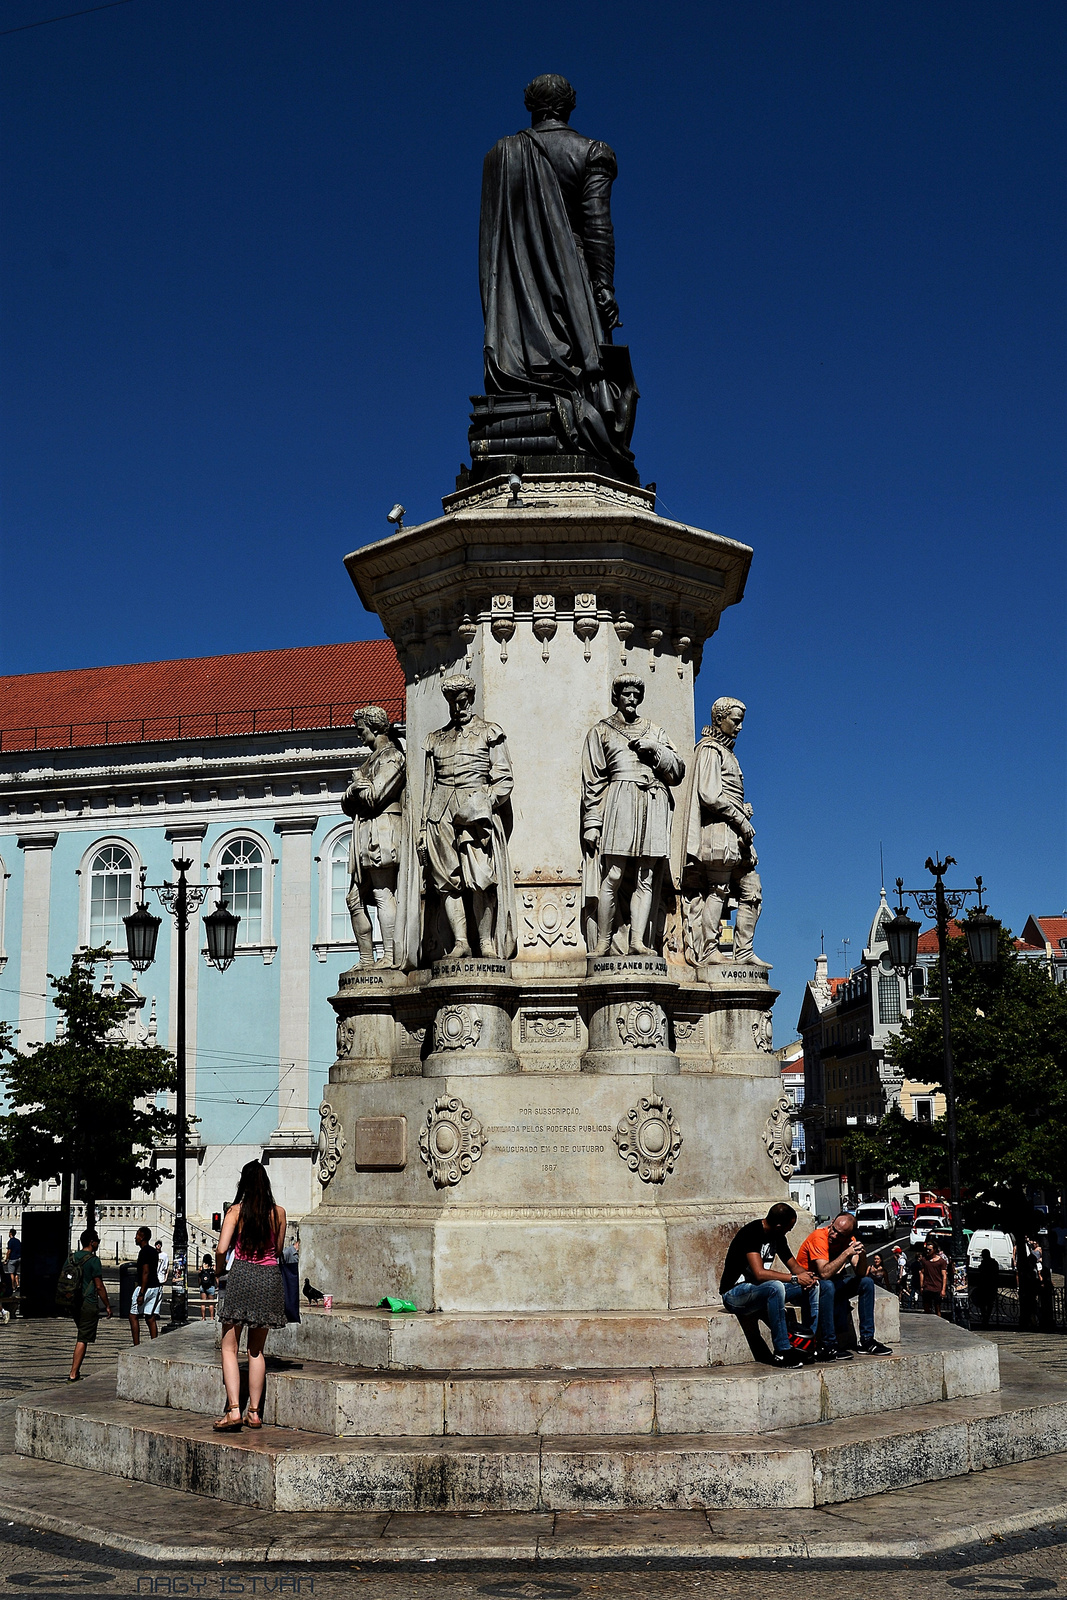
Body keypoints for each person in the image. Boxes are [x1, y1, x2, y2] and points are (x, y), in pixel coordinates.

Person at [479, 74, 637, 475]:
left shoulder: (500, 155)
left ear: (531, 107)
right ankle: (582, 424)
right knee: (590, 374)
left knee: (531, 369)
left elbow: (491, 239)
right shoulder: (591, 152)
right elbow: (598, 228)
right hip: (573, 285)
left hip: (516, 293)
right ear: (570, 105)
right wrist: (603, 288)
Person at [581, 674, 685, 956]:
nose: (631, 699)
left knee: (646, 876)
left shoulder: (655, 731)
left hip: (652, 800)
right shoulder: (601, 731)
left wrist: (656, 750)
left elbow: (677, 770)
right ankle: (603, 942)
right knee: (613, 874)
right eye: (626, 694)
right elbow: (593, 781)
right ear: (617, 696)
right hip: (620, 799)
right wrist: (592, 822)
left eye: (636, 695)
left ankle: (637, 941)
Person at [415, 674, 517, 960]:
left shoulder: (489, 732)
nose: (460, 708)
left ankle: (485, 941)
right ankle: (462, 941)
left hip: (475, 810)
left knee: (481, 878)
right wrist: (423, 828)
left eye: (464, 701)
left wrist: (485, 802)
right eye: (454, 703)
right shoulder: (435, 740)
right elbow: (427, 786)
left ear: (471, 699)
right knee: (446, 880)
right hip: (440, 811)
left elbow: (504, 778)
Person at [669, 697, 762, 965]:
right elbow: (709, 794)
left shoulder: (727, 752)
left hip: (735, 832)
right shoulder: (710, 750)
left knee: (752, 890)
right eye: (736, 720)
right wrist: (739, 817)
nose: (740, 727)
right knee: (719, 888)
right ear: (719, 719)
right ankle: (708, 949)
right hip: (720, 830)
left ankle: (743, 952)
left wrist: (742, 810)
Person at [214, 1160, 287, 1432]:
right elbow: (278, 1250)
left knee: (229, 1347)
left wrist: (220, 1269)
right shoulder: (278, 1213)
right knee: (256, 1350)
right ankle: (254, 1413)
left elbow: (222, 1249)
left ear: (243, 1184)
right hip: (269, 1278)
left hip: (242, 1275)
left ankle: (234, 1409)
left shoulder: (236, 1211)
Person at [342, 705, 406, 968]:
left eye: (361, 729)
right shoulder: (369, 762)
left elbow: (375, 796)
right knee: (353, 899)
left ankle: (390, 956)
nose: (358, 735)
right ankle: (366, 959)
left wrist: (357, 786)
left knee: (382, 893)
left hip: (383, 830)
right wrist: (354, 790)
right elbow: (348, 804)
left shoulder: (392, 758)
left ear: (376, 727)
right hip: (364, 832)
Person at [719, 1202, 820, 1368]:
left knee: (814, 1285)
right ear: (779, 1226)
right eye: (789, 1228)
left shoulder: (778, 1236)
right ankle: (782, 1351)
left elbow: (794, 1267)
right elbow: (760, 1273)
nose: (789, 1231)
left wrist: (807, 1277)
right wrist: (794, 1279)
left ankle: (807, 1345)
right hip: (735, 1295)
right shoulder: (751, 1233)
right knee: (775, 1287)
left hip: (759, 1290)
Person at [796, 1212, 893, 1359]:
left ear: (848, 1236)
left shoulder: (849, 1240)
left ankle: (867, 1340)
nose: (834, 1235)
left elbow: (860, 1273)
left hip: (832, 1284)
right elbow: (824, 1273)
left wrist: (861, 1255)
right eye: (833, 1229)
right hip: (810, 1287)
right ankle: (830, 1343)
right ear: (832, 1221)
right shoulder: (819, 1237)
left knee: (866, 1283)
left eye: (840, 1234)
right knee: (827, 1285)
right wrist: (846, 1253)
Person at [67, 1228, 113, 1381]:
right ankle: (73, 1373)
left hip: (73, 1302)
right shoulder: (93, 1260)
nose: (98, 1243)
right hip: (88, 1302)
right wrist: (107, 1305)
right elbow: (99, 1286)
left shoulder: (72, 1258)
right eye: (97, 1241)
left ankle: (75, 1371)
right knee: (83, 1338)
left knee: (81, 1333)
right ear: (92, 1242)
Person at [129, 1227, 161, 1343]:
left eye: (137, 1235)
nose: (135, 1238)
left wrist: (141, 1292)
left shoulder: (144, 1252)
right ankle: (154, 1343)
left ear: (142, 1237)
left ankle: (136, 1344)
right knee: (150, 1316)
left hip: (145, 1287)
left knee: (133, 1316)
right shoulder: (153, 1251)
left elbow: (146, 1272)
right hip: (156, 1286)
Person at [971, 1248, 1000, 1329]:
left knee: (985, 1303)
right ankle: (986, 1317)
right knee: (987, 1303)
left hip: (986, 1285)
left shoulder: (987, 1263)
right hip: (989, 1285)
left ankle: (985, 1318)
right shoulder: (993, 1263)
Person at [919, 1237, 949, 1315]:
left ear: (935, 1250)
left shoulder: (941, 1261)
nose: (928, 1251)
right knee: (926, 1307)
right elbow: (922, 1272)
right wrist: (922, 1286)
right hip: (927, 1287)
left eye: (930, 1250)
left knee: (937, 1308)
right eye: (927, 1250)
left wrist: (943, 1289)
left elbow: (944, 1276)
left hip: (937, 1288)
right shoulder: (924, 1260)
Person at [199, 1254, 218, 1321]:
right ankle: (212, 1317)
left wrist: (200, 1284)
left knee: (203, 1302)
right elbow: (216, 1277)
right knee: (211, 1303)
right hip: (211, 1286)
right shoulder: (213, 1267)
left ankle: (203, 1317)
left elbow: (199, 1278)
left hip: (203, 1286)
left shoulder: (201, 1268)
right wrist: (217, 1285)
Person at [5, 1229, 20, 1294]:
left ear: (10, 1233)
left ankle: (13, 1287)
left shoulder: (10, 1241)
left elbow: (9, 1251)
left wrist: (6, 1259)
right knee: (16, 1272)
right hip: (18, 1258)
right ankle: (18, 1284)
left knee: (11, 1273)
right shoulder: (18, 1241)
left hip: (12, 1259)